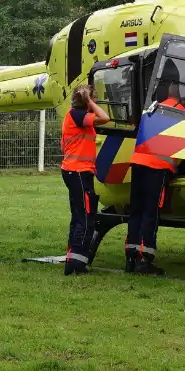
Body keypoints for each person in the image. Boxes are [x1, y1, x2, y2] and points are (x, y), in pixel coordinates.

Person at [125, 61, 185, 275]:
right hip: (157, 167)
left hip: (138, 164)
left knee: (137, 211)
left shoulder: (153, 107)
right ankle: (144, 259)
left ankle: (131, 257)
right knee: (151, 213)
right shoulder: (180, 111)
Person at [60, 84, 111, 275]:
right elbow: (105, 118)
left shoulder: (72, 116)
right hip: (79, 172)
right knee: (86, 217)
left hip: (74, 172)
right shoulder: (79, 116)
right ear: (86, 101)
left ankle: (72, 260)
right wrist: (90, 102)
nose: (96, 102)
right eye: (94, 99)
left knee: (79, 216)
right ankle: (77, 264)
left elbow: (62, 146)